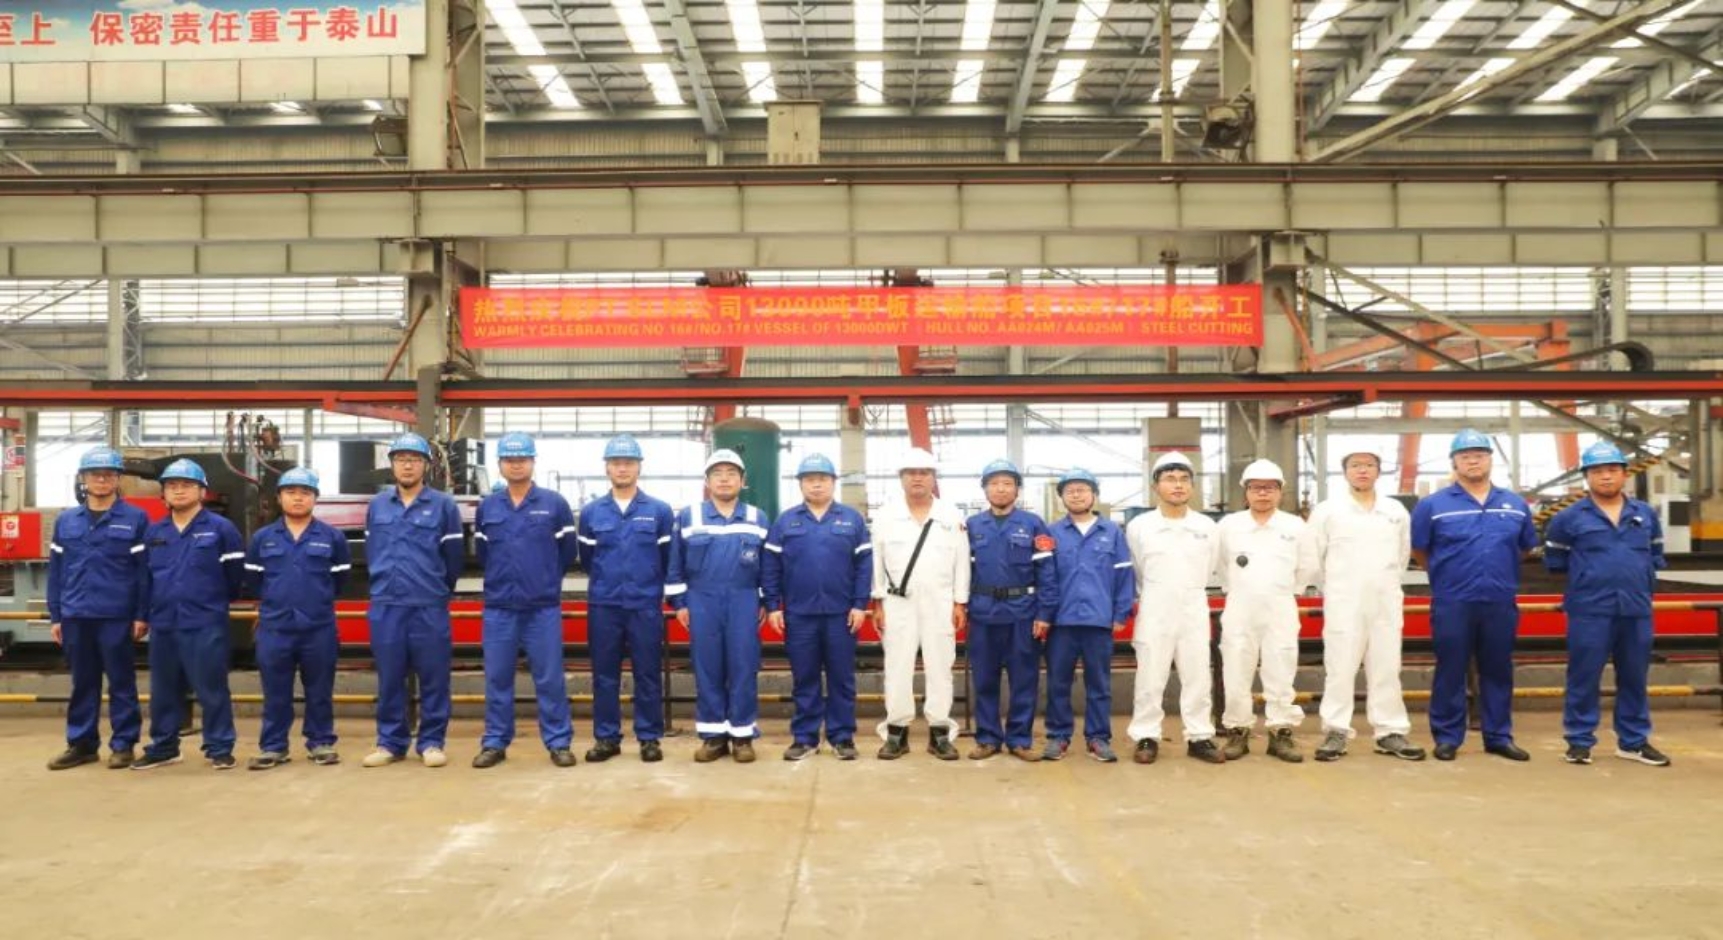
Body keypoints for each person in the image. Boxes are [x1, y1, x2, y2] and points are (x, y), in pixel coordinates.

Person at [1411, 428, 1539, 762]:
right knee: (1450, 668)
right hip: (1453, 600)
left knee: (1498, 668)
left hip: (1499, 599)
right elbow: (1420, 549)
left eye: (1479, 455)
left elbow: (1524, 547)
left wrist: (1497, 571)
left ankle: (1498, 736)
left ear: (1490, 460)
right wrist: (1447, 575)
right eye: (1465, 456)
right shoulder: (1432, 505)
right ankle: (1447, 737)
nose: (1472, 461)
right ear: (1454, 462)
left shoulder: (1514, 504)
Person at [1544, 441, 1671, 767]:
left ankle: (1633, 741)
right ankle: (1579, 741)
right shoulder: (1568, 518)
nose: (1605, 476)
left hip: (1636, 609)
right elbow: (1556, 562)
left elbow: (1655, 555)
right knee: (1583, 676)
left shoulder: (1645, 514)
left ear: (1625, 474)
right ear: (1586, 477)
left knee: (1634, 677)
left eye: (1612, 470)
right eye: (1597, 471)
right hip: (1589, 609)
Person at [1309, 449, 1426, 763]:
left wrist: (1382, 584)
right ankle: (1336, 730)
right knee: (1340, 668)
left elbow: (1402, 555)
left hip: (1385, 601)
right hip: (1343, 602)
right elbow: (1314, 557)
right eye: (1355, 465)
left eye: (1369, 465)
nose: (1362, 470)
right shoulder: (1327, 511)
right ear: (1345, 472)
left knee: (1387, 666)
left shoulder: (1395, 511)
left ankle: (1389, 731)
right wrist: (1336, 588)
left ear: (1378, 471)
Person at [472, 433, 578, 769]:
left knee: (549, 678)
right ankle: (495, 742)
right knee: (497, 678)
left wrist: (543, 581)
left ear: (533, 462)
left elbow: (567, 553)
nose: (516, 465)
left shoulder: (554, 504)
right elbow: (483, 553)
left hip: (542, 608)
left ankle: (558, 742)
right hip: (499, 608)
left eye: (522, 459)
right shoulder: (488, 507)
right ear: (500, 465)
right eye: (509, 460)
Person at [133, 458, 245, 770]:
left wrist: (211, 603)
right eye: (172, 485)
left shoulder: (221, 529)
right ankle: (164, 747)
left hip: (205, 623)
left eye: (186, 485)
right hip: (164, 623)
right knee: (164, 690)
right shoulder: (155, 532)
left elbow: (235, 578)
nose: (179, 491)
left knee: (211, 688)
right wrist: (143, 615)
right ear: (164, 493)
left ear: (202, 491)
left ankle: (219, 747)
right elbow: (145, 579)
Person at [362, 433, 464, 769]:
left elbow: (453, 559)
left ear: (426, 465)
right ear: (392, 464)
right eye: (401, 459)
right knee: (390, 677)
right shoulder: (377, 506)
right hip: (386, 604)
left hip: (428, 604)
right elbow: (372, 551)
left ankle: (431, 742)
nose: (407, 465)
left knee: (434, 676)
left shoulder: (444, 506)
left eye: (415, 459)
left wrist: (436, 590)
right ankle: (390, 743)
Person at [762, 453, 873, 761]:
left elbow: (864, 566)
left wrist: (860, 605)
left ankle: (842, 736)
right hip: (799, 615)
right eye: (809, 479)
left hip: (841, 615)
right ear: (800, 484)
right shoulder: (786, 521)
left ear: (833, 483)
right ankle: (805, 737)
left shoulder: (851, 519)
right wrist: (773, 605)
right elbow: (770, 566)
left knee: (842, 678)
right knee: (805, 677)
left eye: (822, 479)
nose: (816, 484)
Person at [45, 446, 150, 771]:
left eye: (108, 474)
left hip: (116, 615)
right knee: (83, 683)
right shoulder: (66, 521)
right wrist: (56, 616)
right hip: (76, 615)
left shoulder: (135, 519)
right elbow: (56, 571)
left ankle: (123, 744)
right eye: (95, 474)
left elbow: (143, 572)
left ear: (118, 479)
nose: (101, 480)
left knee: (122, 682)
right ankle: (81, 744)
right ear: (84, 479)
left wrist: (141, 614)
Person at [242, 466, 351, 770]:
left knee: (320, 690)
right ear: (279, 498)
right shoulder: (263, 539)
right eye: (291, 492)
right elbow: (254, 581)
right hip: (275, 628)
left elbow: (340, 580)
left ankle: (321, 742)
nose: (298, 498)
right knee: (275, 692)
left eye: (305, 492)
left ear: (315, 498)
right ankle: (273, 746)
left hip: (318, 627)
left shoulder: (332, 538)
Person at [666, 449, 770, 763]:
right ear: (707, 481)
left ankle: (742, 737)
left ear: (743, 481)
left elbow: (769, 567)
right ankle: (713, 737)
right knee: (707, 667)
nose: (724, 479)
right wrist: (680, 603)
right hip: (702, 600)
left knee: (743, 667)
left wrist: (764, 600)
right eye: (717, 474)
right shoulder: (689, 516)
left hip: (743, 600)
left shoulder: (757, 518)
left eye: (731, 473)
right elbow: (674, 564)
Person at [577, 433, 675, 764]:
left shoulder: (659, 511)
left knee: (647, 672)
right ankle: (607, 738)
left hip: (644, 605)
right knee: (604, 675)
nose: (622, 469)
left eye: (629, 463)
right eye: (616, 463)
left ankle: (649, 738)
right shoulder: (592, 513)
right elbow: (588, 560)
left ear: (639, 468)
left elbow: (667, 559)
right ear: (607, 468)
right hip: (604, 606)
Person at [1124, 452, 1225, 765]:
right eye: (1169, 479)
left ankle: (1199, 736)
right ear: (1155, 486)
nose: (1178, 485)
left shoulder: (1206, 526)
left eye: (1184, 479)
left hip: (1194, 605)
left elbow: (1211, 565)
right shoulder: (1140, 526)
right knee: (1150, 675)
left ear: (1192, 486)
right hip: (1155, 606)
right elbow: (1136, 569)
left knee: (1197, 674)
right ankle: (1146, 736)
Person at [1215, 458, 1318, 764]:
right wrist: (1236, 588)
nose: (1263, 493)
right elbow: (1220, 563)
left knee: (1281, 668)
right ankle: (1238, 730)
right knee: (1236, 669)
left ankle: (1280, 731)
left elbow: (1307, 564)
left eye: (1270, 488)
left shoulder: (1294, 526)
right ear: (1245, 492)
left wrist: (1290, 591)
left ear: (1280, 492)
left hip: (1280, 606)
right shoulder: (1229, 526)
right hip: (1239, 605)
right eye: (1256, 487)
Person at [871, 448, 971, 760]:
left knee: (940, 667)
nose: (917, 478)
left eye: (924, 472)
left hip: (941, 602)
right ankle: (895, 733)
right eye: (911, 472)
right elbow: (876, 561)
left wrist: (960, 602)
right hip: (897, 602)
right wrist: (877, 602)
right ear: (901, 478)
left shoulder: (951, 515)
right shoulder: (885, 515)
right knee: (896, 667)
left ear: (933, 478)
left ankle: (940, 733)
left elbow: (962, 562)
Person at [963, 459, 1058, 762]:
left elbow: (1047, 572)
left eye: (1007, 483)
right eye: (994, 483)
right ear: (985, 489)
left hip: (1023, 614)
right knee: (984, 679)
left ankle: (1019, 739)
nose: (1001, 489)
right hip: (983, 614)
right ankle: (987, 738)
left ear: (1017, 489)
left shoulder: (1033, 524)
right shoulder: (972, 526)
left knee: (1024, 680)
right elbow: (961, 571)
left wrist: (1044, 614)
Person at [1043, 468, 1135, 763]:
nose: (1076, 495)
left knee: (1099, 684)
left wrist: (1120, 613)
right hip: (1061, 622)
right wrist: (1044, 615)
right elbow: (1044, 577)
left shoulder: (1112, 533)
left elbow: (1124, 575)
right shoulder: (1051, 533)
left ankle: (1098, 738)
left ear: (1094, 495)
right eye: (1070, 491)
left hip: (1098, 621)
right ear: (1061, 498)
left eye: (1082, 489)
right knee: (1058, 682)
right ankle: (1058, 736)